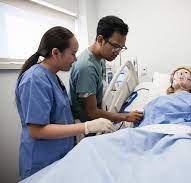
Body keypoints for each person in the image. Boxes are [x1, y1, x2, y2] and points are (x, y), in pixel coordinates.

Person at [15, 26, 116, 179]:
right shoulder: (34, 80)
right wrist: (86, 126)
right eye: (73, 54)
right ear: (55, 53)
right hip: (41, 162)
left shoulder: (52, 77)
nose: (76, 59)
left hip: (57, 156)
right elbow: (36, 131)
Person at [69, 15, 143, 127]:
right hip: (86, 123)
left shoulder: (100, 58)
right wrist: (125, 116)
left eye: (121, 48)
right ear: (100, 40)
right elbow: (91, 112)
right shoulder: (86, 67)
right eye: (115, 46)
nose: (117, 52)